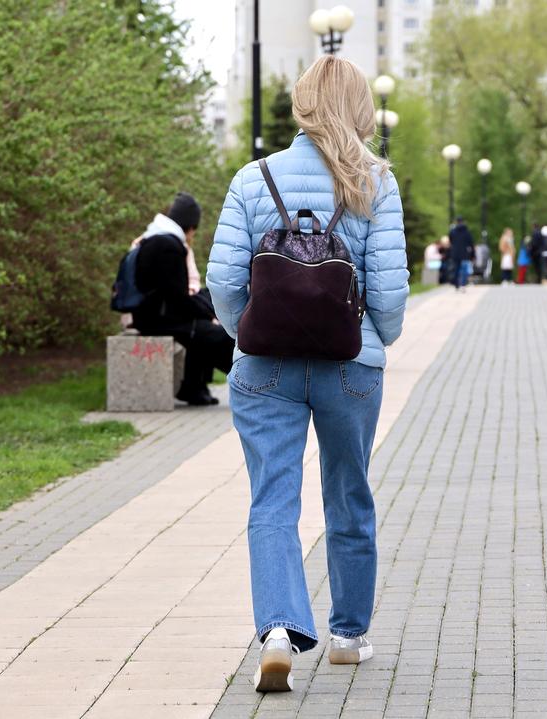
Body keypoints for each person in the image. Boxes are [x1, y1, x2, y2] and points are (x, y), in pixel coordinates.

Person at [206, 55, 409, 692]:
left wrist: (248, 330)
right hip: (351, 364)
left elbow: (220, 278)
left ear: (300, 105)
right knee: (349, 491)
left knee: (272, 498)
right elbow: (390, 291)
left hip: (264, 365)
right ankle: (348, 637)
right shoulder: (375, 181)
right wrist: (376, 337)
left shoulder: (252, 177)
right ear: (359, 109)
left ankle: (277, 631)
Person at [131, 192, 235, 406]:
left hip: (152, 314)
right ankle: (242, 381)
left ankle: (194, 387)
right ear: (189, 227)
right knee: (214, 335)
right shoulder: (169, 246)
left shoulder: (156, 239)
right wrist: (208, 314)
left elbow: (176, 293)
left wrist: (207, 311)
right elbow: (178, 296)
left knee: (203, 327)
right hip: (157, 319)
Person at [449, 216, 474, 292]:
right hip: (464, 253)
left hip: (455, 253)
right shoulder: (467, 232)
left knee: (456, 269)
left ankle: (456, 285)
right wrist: (473, 254)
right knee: (464, 269)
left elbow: (451, 241)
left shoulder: (453, 231)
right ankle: (463, 285)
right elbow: (471, 243)